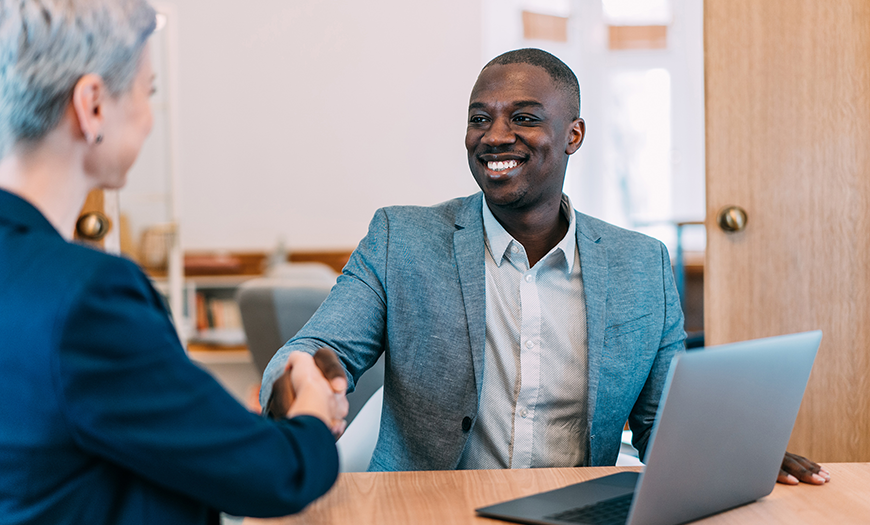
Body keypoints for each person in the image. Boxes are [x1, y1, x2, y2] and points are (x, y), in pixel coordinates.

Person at [262, 48, 829, 485]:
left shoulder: (641, 265)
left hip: (573, 510)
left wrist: (739, 455)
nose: (496, 136)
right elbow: (307, 351)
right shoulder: (401, 239)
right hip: (428, 506)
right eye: (479, 118)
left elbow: (662, 427)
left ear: (572, 135)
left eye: (524, 117)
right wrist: (297, 386)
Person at [0, 1, 346, 524]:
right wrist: (314, 419)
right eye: (148, 92)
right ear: (92, 106)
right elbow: (275, 478)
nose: (146, 119)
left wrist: (226, 427)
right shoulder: (87, 297)